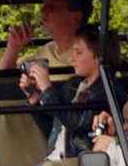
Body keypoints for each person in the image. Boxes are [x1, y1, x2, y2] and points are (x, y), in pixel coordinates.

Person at [31, 23, 115, 157]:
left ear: (98, 56)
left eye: (79, 52)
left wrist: (47, 89)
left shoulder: (107, 90)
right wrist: (34, 99)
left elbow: (76, 123)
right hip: (56, 156)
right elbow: (53, 126)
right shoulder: (74, 83)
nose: (72, 59)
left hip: (79, 158)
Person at [0, 0, 94, 75]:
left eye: (53, 6)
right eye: (45, 5)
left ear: (76, 16)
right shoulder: (48, 50)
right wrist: (13, 47)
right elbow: (2, 77)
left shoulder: (87, 54)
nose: (43, 11)